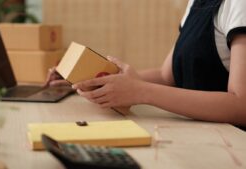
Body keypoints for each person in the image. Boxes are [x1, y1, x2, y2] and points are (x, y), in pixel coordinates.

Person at [45, 0, 246, 127]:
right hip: (200, 133)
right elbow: (166, 76)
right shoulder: (196, 3)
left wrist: (141, 92)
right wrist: (91, 79)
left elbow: (241, 105)